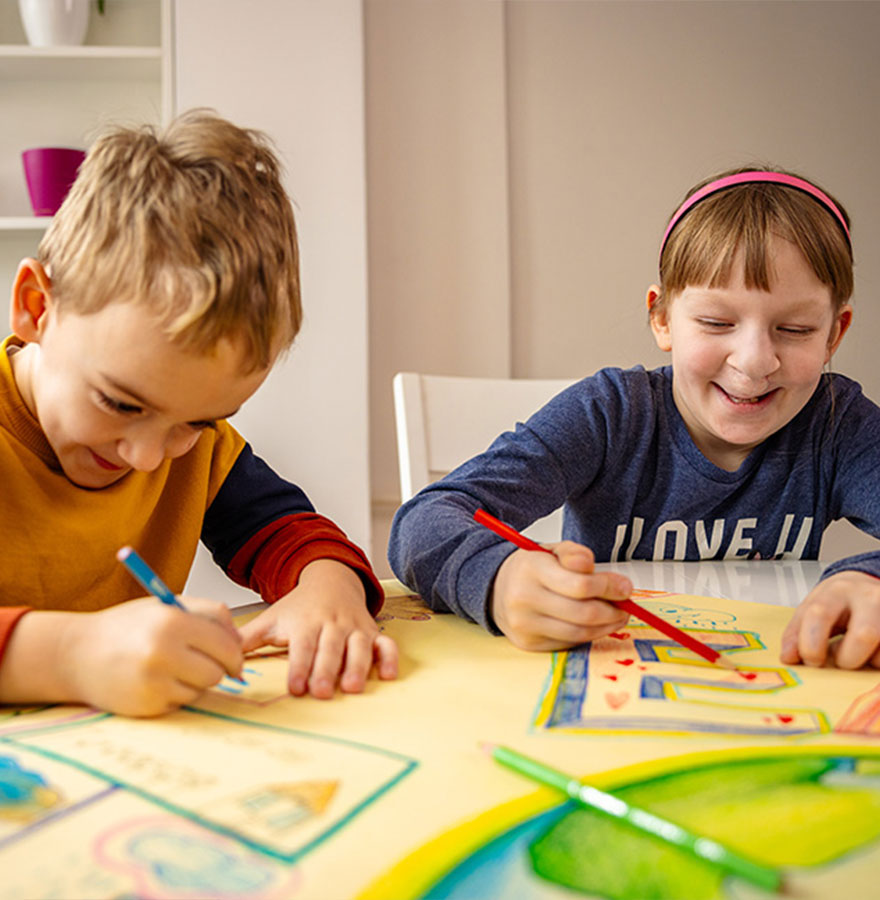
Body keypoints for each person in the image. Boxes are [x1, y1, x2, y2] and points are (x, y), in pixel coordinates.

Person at [388, 166, 880, 671]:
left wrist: (866, 579)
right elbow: (422, 524)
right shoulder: (608, 415)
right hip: (608, 671)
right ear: (662, 317)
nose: (754, 361)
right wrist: (500, 580)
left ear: (833, 335)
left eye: (795, 329)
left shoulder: (838, 425)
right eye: (716, 322)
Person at [0, 109, 397, 716]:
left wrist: (328, 587)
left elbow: (286, 529)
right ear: (37, 308)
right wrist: (70, 655)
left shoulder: (197, 450)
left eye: (196, 422)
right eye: (120, 402)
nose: (150, 455)